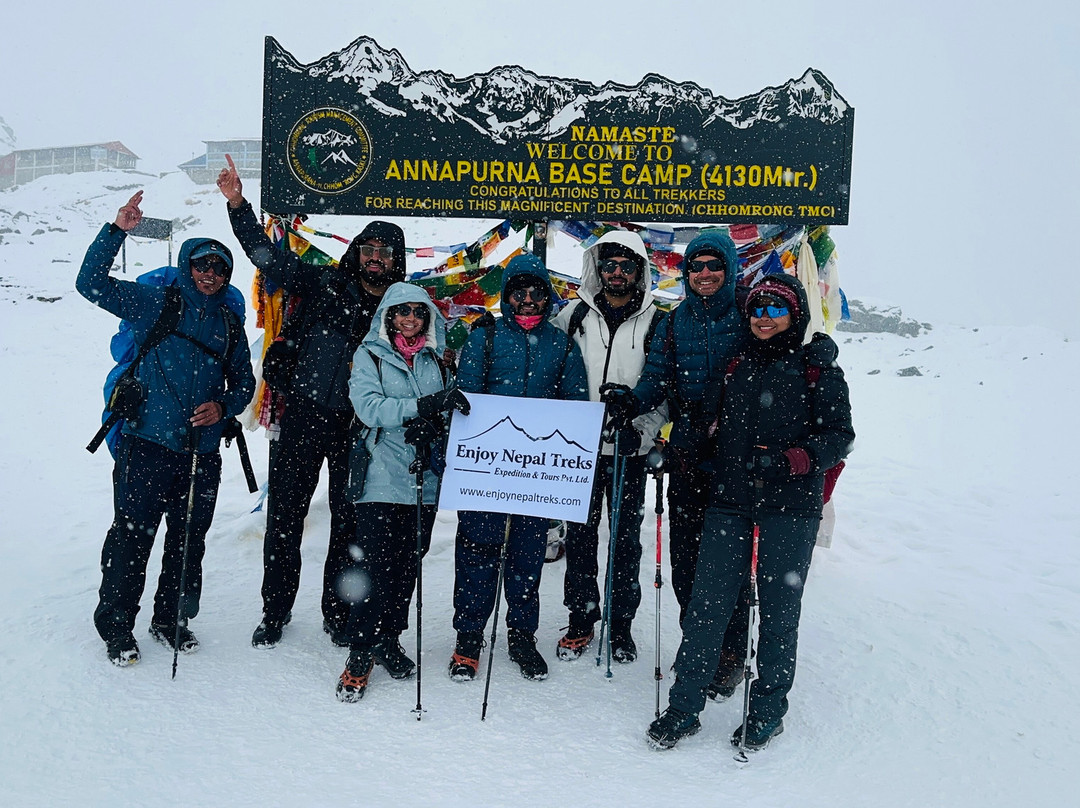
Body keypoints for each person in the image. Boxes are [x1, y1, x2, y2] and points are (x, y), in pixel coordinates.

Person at [646, 273, 854, 751]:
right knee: (707, 607)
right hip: (731, 501)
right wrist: (675, 452)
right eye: (757, 310)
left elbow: (839, 436)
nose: (764, 319)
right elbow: (706, 426)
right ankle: (684, 707)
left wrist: (793, 461)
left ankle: (767, 711)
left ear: (793, 314)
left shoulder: (816, 368)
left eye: (775, 309)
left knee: (779, 614)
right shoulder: (735, 364)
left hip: (791, 507)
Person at [217, 156, 407, 648]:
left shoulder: (403, 311)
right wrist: (239, 205)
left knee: (349, 525)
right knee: (284, 517)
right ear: (357, 252)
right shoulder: (324, 285)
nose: (374, 258)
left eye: (385, 252)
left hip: (361, 430)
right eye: (368, 248)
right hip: (302, 415)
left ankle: (338, 612)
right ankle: (275, 610)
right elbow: (266, 256)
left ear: (396, 260)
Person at [77, 191, 256, 666]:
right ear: (185, 266)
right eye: (201, 265)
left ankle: (171, 618)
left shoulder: (230, 324)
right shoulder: (152, 302)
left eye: (219, 269)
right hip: (146, 445)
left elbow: (243, 381)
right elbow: (89, 283)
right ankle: (117, 627)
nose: (209, 275)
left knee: (187, 541)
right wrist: (117, 231)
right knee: (132, 537)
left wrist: (223, 405)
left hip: (201, 452)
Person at [602, 230, 749, 694]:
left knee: (728, 562)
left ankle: (730, 650)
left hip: (737, 458)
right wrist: (633, 401)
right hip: (686, 457)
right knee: (686, 562)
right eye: (696, 266)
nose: (704, 274)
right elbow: (658, 378)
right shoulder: (674, 322)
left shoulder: (748, 314)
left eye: (713, 265)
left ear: (729, 269)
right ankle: (697, 643)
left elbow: (780, 348)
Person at [448, 254, 589, 682]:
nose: (528, 301)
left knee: (528, 556)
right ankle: (469, 636)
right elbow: (467, 396)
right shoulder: (485, 338)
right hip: (488, 470)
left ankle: (521, 635)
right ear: (507, 296)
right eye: (519, 293)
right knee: (477, 550)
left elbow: (575, 403)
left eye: (536, 293)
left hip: (536, 473)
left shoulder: (562, 345)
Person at [335, 282, 469, 701]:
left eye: (418, 311)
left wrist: (441, 417)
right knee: (374, 565)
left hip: (422, 480)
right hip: (380, 475)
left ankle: (388, 638)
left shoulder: (440, 358)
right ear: (388, 316)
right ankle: (360, 648)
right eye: (401, 311)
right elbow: (369, 407)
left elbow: (451, 404)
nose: (410, 318)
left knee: (407, 563)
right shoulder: (369, 356)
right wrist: (422, 408)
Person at [552, 231, 667, 663]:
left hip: (629, 450)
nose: (617, 274)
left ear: (640, 272)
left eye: (626, 266)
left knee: (625, 541)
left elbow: (664, 384)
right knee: (580, 538)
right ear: (598, 269)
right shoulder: (575, 314)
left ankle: (620, 626)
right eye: (609, 265)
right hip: (578, 450)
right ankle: (582, 619)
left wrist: (646, 427)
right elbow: (546, 354)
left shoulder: (658, 321)